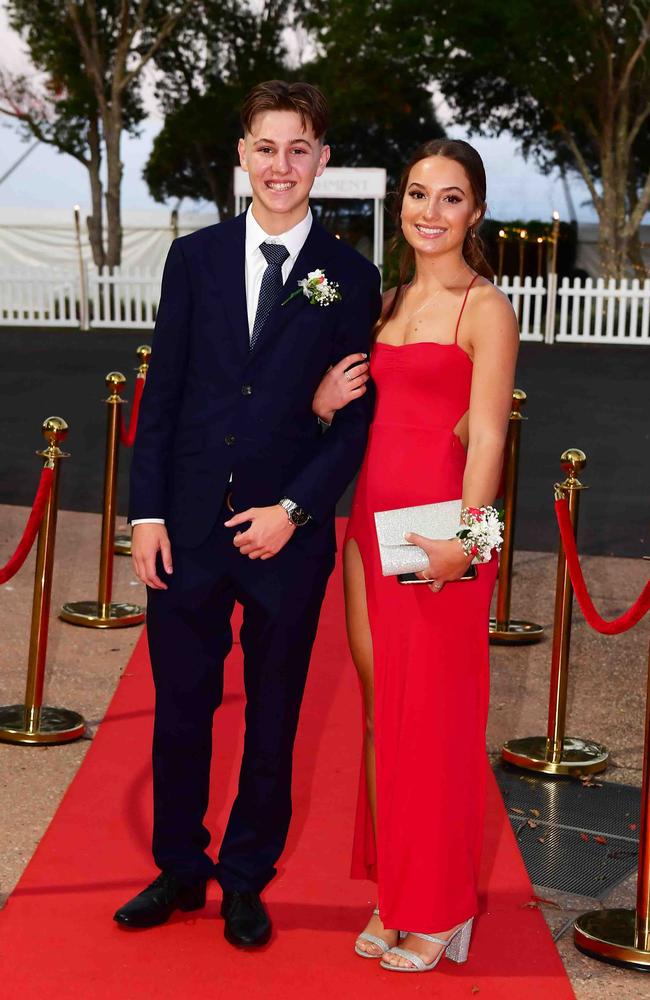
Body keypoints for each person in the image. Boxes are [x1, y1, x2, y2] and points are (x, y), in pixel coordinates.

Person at [113, 80, 381, 949]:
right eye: (266, 148)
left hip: (285, 541)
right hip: (187, 529)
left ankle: (244, 879)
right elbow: (165, 401)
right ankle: (180, 869)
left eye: (299, 149)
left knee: (273, 717)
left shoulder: (351, 275)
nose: (281, 165)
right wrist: (144, 514)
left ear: (323, 161)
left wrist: (295, 511)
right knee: (182, 710)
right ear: (243, 157)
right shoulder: (193, 260)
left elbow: (354, 427)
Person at [312, 139, 519, 973]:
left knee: (436, 722)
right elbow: (356, 411)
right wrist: (322, 401)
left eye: (451, 198)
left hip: (441, 541)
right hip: (370, 531)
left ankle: (443, 907)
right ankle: (398, 890)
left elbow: (492, 435)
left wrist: (466, 547)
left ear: (476, 211)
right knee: (382, 717)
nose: (429, 212)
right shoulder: (383, 300)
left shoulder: (486, 308)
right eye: (418, 194)